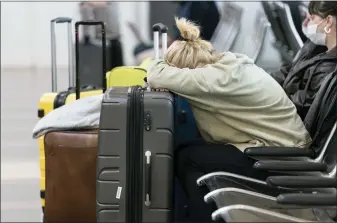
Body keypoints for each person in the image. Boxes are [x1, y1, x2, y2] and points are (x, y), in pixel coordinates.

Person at [146, 17, 312, 221]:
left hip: (280, 161)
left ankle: (201, 218)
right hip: (281, 149)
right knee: (188, 151)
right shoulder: (227, 63)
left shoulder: (211, 80)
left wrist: (168, 75)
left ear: (186, 70)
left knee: (187, 159)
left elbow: (155, 73)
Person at [271, 1, 337, 120]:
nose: (306, 23)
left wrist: (267, 97)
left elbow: (300, 107)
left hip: (288, 121)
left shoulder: (329, 69)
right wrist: (262, 81)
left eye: (311, 18)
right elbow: (291, 70)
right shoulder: (316, 44)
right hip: (282, 107)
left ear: (328, 22)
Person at [79, 2, 124, 69]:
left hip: (112, 37)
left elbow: (104, 3)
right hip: (100, 38)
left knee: (115, 68)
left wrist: (90, 3)